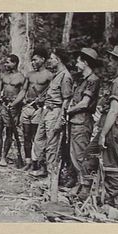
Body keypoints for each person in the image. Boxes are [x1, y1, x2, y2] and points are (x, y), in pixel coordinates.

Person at [84, 45, 118, 206]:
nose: (108, 62)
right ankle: (86, 190)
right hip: (115, 126)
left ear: (117, 61)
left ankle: (114, 199)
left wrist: (103, 134)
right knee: (90, 154)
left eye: (111, 59)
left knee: (110, 162)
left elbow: (113, 111)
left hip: (113, 126)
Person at [30, 48, 73, 187]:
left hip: (55, 112)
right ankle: (42, 168)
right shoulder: (56, 75)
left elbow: (66, 100)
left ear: (58, 60)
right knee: (39, 140)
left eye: (52, 58)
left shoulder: (65, 76)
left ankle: (52, 176)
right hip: (46, 110)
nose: (49, 61)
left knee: (52, 145)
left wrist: (60, 119)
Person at [65, 48, 101, 189]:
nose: (76, 64)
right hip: (75, 120)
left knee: (80, 154)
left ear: (85, 62)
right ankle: (76, 181)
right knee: (73, 152)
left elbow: (84, 102)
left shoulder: (93, 80)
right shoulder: (81, 80)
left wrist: (69, 110)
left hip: (82, 121)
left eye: (78, 61)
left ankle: (83, 185)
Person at [13, 48, 53, 171]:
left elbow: (52, 93)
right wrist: (14, 103)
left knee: (37, 136)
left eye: (35, 60)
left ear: (43, 59)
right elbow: (23, 91)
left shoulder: (49, 75)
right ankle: (28, 161)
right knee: (26, 135)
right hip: (27, 107)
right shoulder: (29, 75)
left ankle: (38, 163)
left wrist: (44, 102)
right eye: (32, 60)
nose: (33, 62)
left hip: (39, 109)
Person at [0, 54, 25, 167]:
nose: (5, 64)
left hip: (13, 107)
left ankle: (4, 156)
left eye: (8, 62)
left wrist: (15, 104)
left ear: (14, 63)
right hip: (2, 105)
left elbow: (23, 93)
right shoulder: (4, 76)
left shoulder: (21, 77)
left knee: (9, 132)